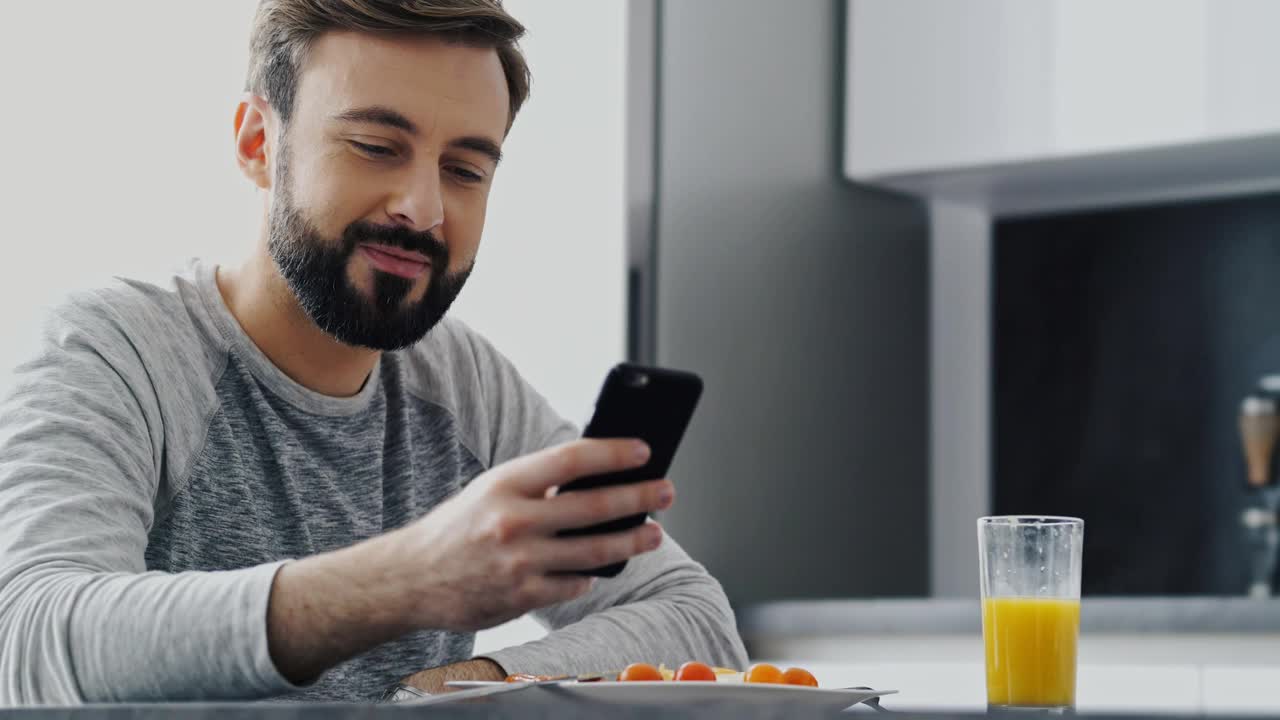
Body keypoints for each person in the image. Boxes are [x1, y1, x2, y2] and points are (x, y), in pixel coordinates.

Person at [0, 0, 746, 705]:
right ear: (259, 142)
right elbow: (25, 640)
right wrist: (409, 579)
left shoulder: (465, 387)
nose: (422, 209)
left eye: (464, 170)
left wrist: (470, 685)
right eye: (376, 147)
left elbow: (692, 617)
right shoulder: (115, 348)